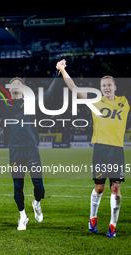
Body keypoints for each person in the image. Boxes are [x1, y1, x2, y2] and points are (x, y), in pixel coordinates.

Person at [0, 68, 61, 230]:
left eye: (19, 84)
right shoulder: (4, 103)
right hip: (15, 150)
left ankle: (36, 203)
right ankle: (22, 216)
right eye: (13, 84)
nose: (16, 86)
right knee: (18, 186)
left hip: (31, 149)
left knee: (39, 186)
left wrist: (58, 74)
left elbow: (49, 93)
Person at [57, 59, 129, 238]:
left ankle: (112, 225)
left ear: (115, 87)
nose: (106, 87)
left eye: (109, 85)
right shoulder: (95, 102)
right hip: (100, 150)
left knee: (115, 189)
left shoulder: (124, 102)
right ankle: (93, 218)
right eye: (103, 85)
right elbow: (74, 88)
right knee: (99, 188)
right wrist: (62, 70)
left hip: (117, 151)